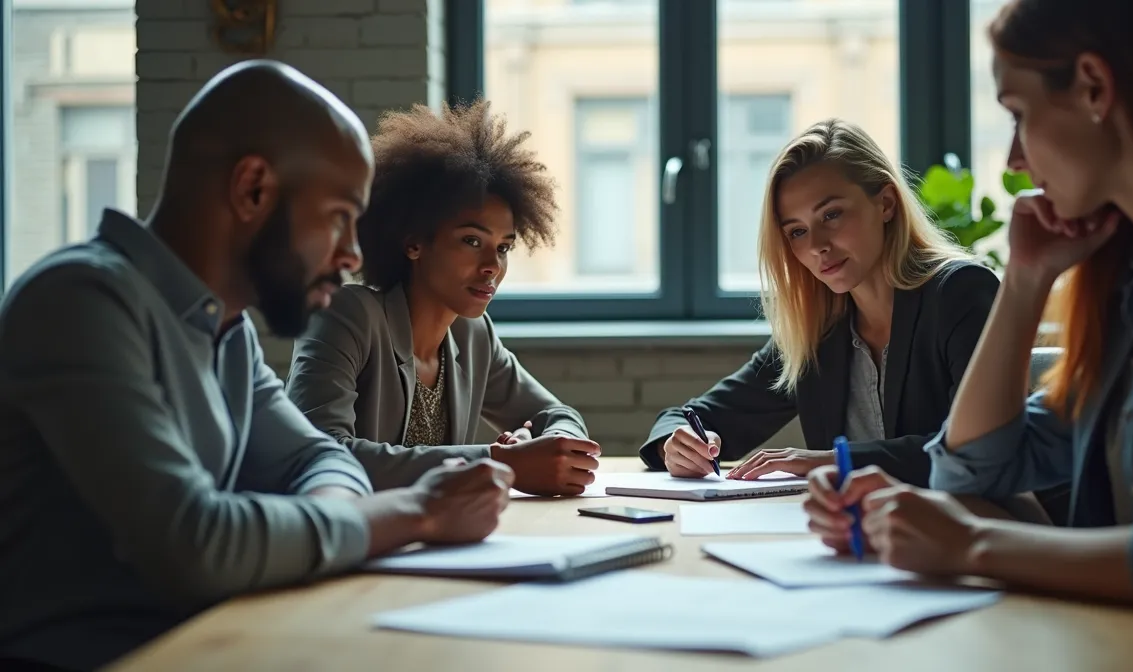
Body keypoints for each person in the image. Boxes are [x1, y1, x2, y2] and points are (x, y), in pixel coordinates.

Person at [804, 1, 1133, 669]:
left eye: (1018, 114)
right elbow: (969, 469)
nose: (1016, 161)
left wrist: (971, 545)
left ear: (1096, 88)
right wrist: (1024, 279)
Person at [0, 61, 514, 672]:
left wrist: (336, 518)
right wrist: (416, 511)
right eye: (338, 218)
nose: (352, 254)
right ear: (252, 189)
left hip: (217, 640)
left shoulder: (227, 329)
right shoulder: (80, 300)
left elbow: (320, 458)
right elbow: (197, 544)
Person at [639, 119, 1000, 487]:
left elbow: (981, 447)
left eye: (831, 215)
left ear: (886, 203)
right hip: (849, 534)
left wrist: (835, 461)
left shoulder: (960, 292)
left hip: (960, 531)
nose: (816, 246)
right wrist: (680, 443)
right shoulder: (821, 326)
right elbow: (693, 416)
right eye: (797, 231)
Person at [285, 100, 601, 497]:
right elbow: (321, 452)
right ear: (414, 241)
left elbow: (557, 414)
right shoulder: (346, 316)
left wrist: (553, 448)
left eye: (503, 247)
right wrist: (498, 462)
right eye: (471, 241)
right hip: (353, 541)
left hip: (442, 540)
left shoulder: (473, 334)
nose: (492, 266)